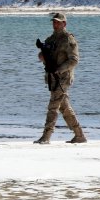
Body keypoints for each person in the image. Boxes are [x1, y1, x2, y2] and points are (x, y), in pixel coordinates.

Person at [34, 12, 86, 144]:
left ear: (64, 24)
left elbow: (74, 60)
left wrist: (60, 69)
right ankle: (79, 135)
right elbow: (44, 55)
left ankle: (46, 136)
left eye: (58, 22)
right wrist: (42, 56)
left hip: (63, 78)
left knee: (53, 106)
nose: (55, 24)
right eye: (54, 22)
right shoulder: (50, 39)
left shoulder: (69, 39)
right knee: (64, 108)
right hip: (52, 77)